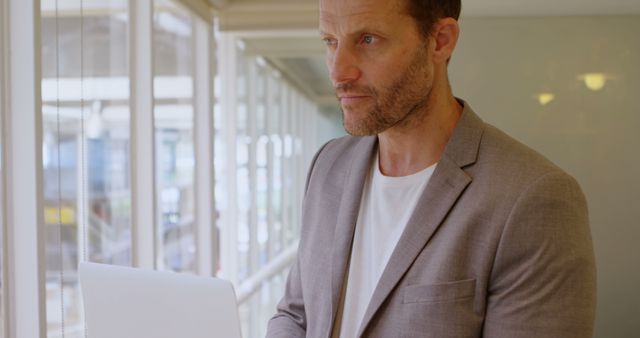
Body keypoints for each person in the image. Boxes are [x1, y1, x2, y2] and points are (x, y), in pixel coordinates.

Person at [266, 0, 597, 337]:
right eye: (330, 41)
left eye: (368, 39)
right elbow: (296, 313)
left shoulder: (533, 198)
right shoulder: (328, 165)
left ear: (440, 40)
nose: (338, 72)